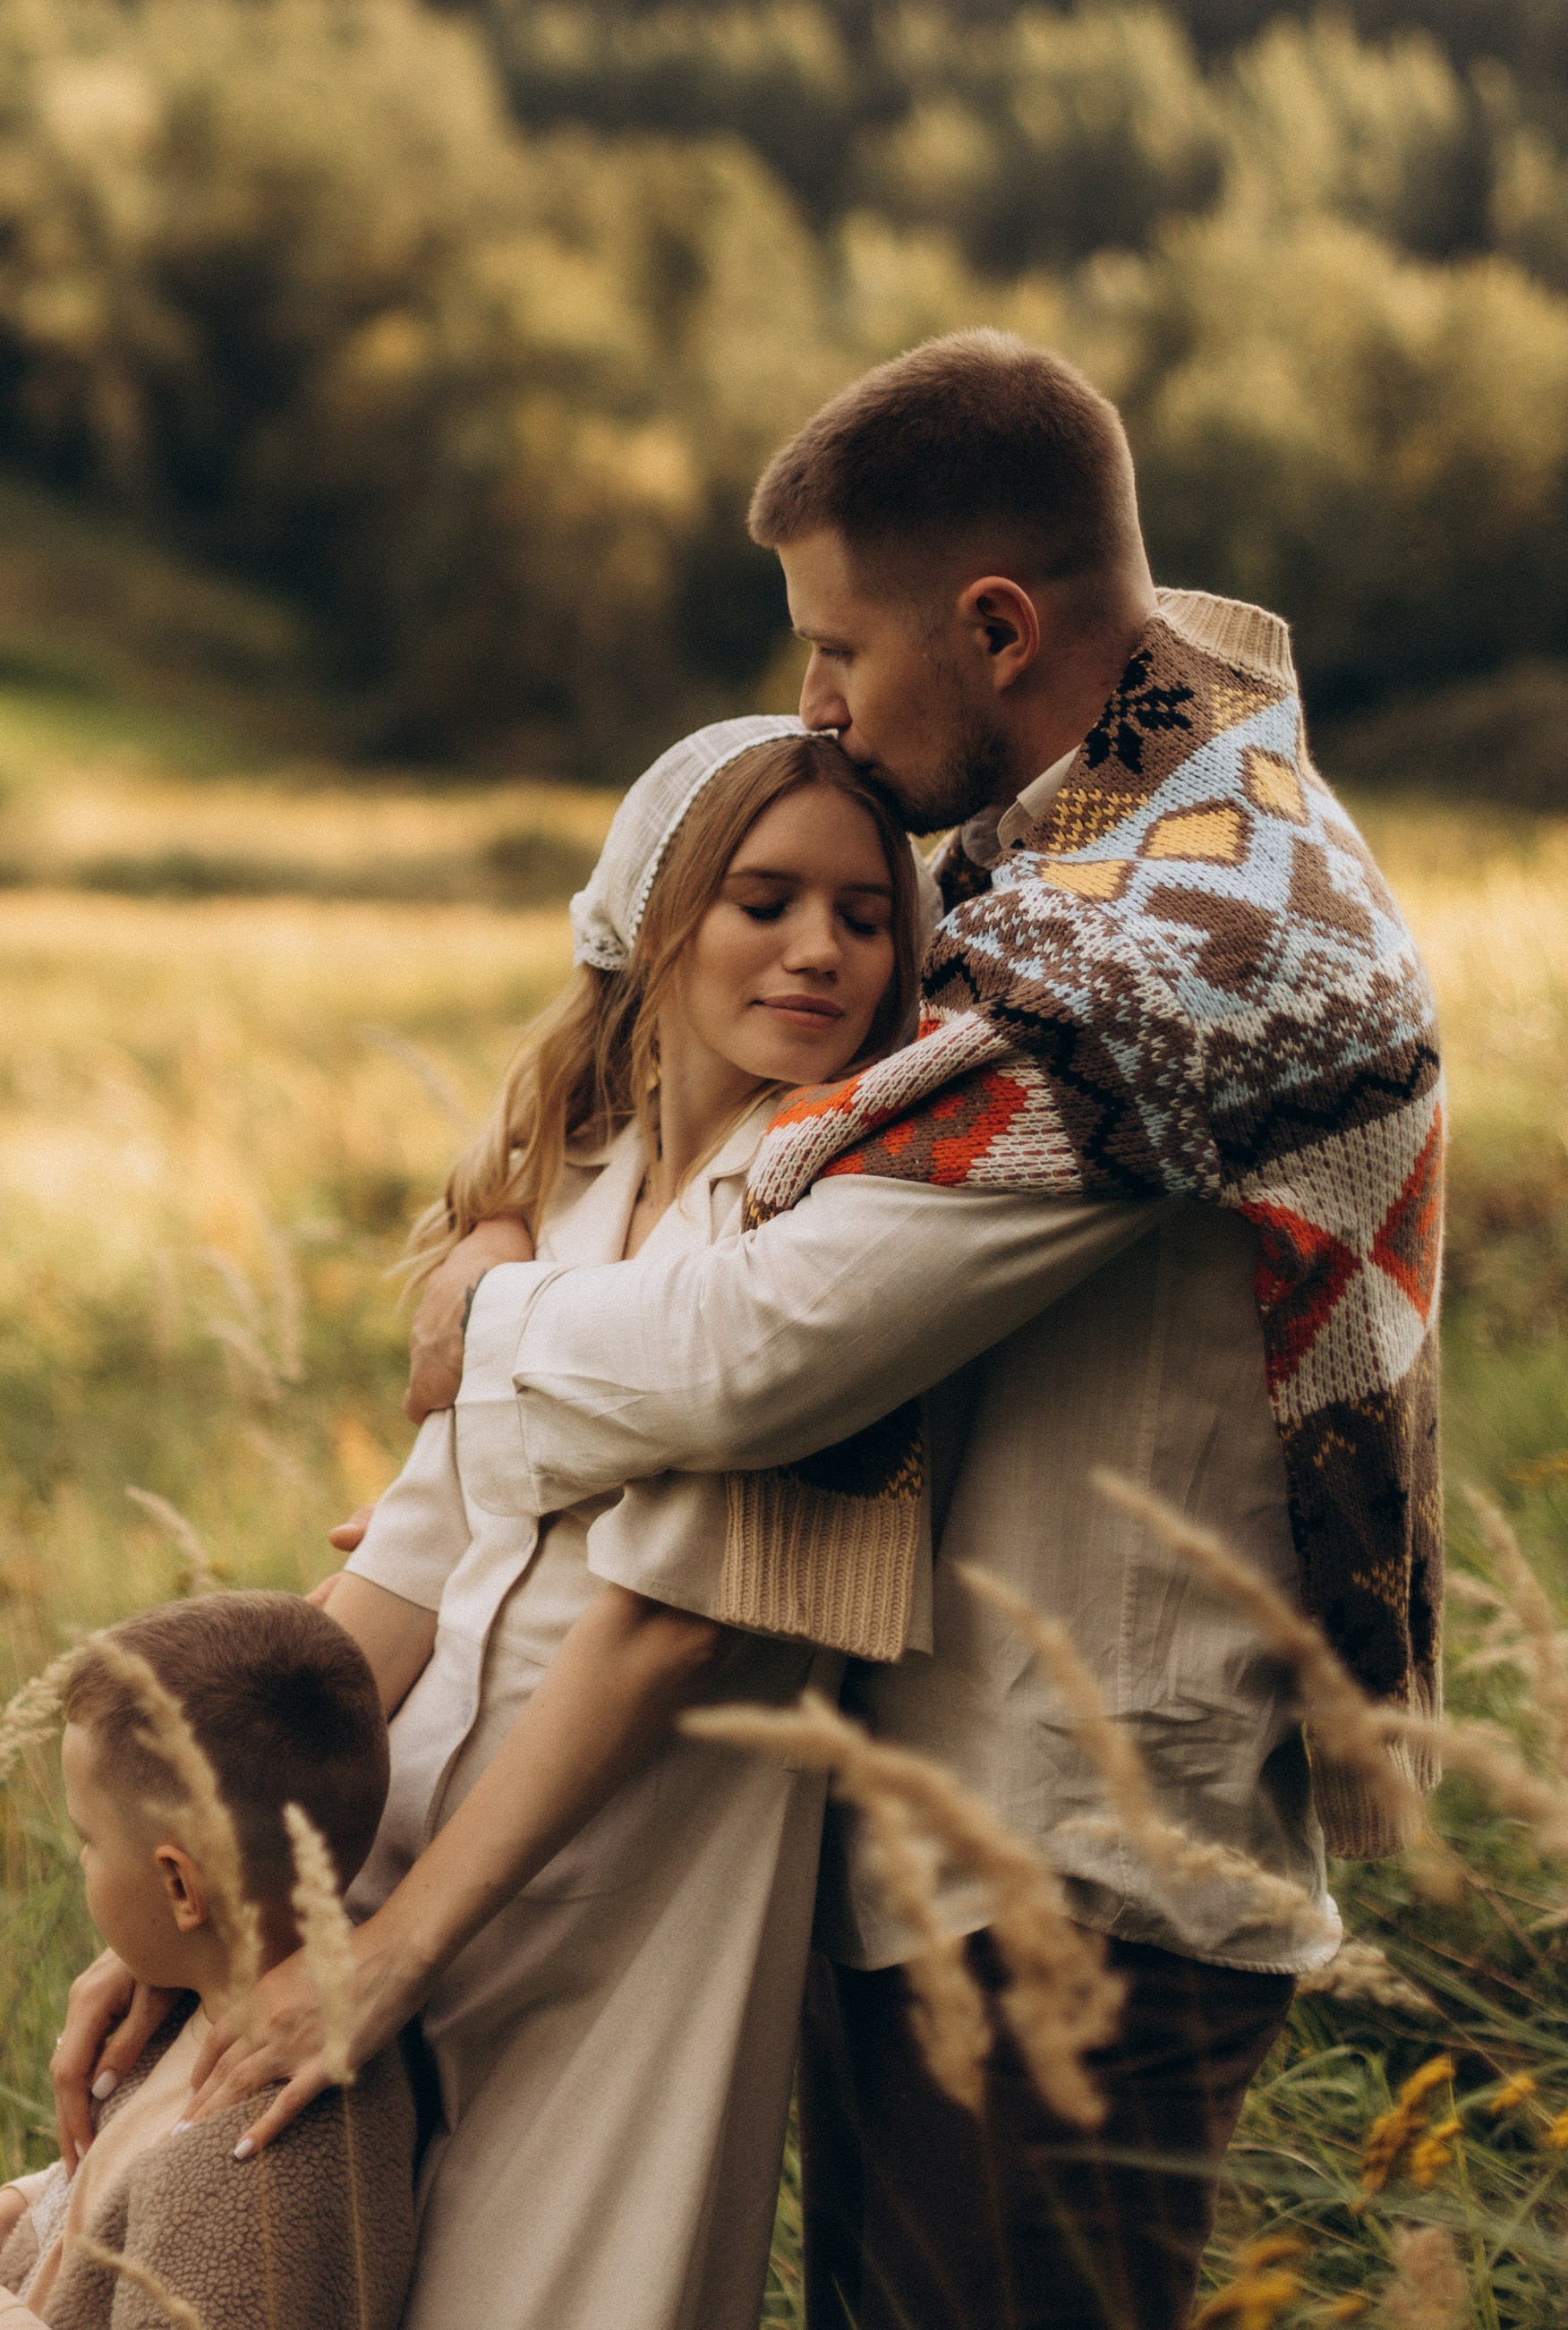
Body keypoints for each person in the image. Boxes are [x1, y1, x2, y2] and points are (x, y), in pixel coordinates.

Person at [395, 329, 1446, 2330]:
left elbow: (754, 1351)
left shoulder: (1189, 944)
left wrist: (488, 1312)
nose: (812, 707)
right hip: (953, 1830)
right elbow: (694, 937)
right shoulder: (1080, 846)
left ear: (990, 624)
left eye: (831, 653)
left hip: (1076, 1857)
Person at [55, 722, 928, 2330]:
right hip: (375, 1864)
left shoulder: (835, 1222)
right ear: (650, 920)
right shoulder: (568, 1185)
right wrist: (205, 1898)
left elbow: (674, 1616)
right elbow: (406, 1566)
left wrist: (392, 1959)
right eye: (766, 900)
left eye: (866, 917)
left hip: (620, 1896)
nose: (822, 950)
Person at [0, 1592, 416, 2330]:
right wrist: (21, 2212)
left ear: (180, 1886)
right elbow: (128, 2178)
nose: (79, 1861)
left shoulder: (256, 2169)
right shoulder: (190, 2013)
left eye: (86, 1839)